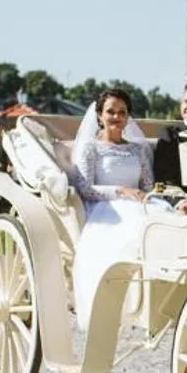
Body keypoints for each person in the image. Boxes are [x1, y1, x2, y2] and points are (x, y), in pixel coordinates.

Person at [68, 87, 177, 324]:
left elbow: (148, 186)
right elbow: (85, 189)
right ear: (99, 115)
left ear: (128, 117)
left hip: (140, 202)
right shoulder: (90, 148)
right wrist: (120, 191)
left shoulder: (137, 149)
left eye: (122, 112)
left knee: (168, 222)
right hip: (106, 208)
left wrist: (168, 200)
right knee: (133, 229)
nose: (116, 117)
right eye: (110, 112)